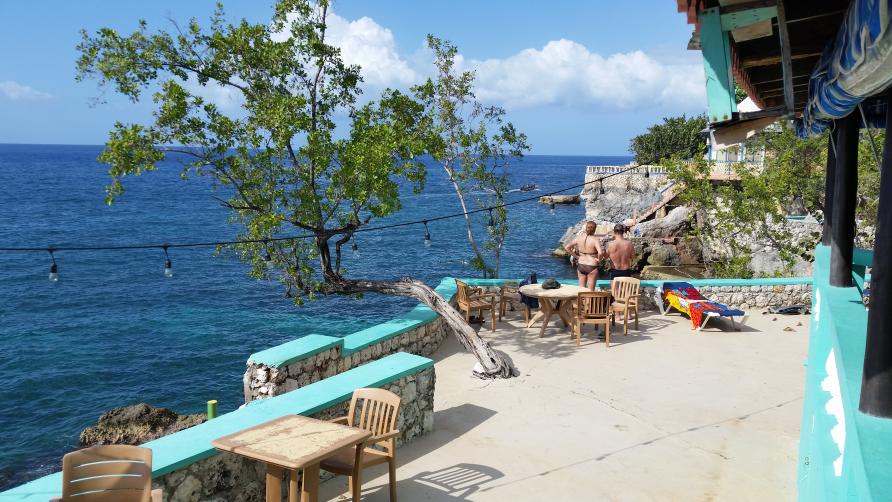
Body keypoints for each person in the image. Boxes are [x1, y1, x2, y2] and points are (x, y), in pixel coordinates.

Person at [565, 221, 603, 290]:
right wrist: (599, 260)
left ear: (586, 228)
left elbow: (567, 247)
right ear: (595, 229)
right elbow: (600, 253)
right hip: (591, 265)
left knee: (581, 290)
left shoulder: (579, 237)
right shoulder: (595, 240)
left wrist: (576, 257)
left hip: (581, 264)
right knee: (590, 292)